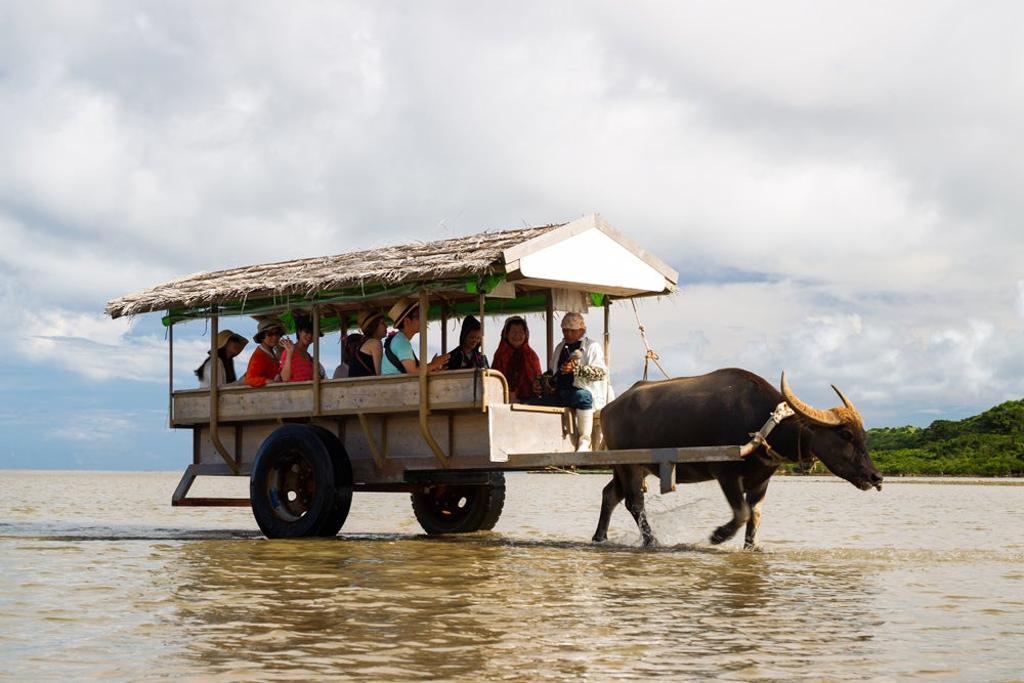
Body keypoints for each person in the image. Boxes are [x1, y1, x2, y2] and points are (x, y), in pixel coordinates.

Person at [532, 311, 612, 452]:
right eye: (565, 330)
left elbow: (600, 372)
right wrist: (540, 381)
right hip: (560, 393)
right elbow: (553, 371)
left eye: (572, 330)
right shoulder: (559, 348)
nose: (568, 333)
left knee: (583, 397)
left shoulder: (592, 347)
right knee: (531, 404)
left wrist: (576, 370)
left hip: (581, 392)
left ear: (581, 330)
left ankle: (584, 441)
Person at [381, 298, 449, 375]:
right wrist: (434, 364)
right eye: (418, 316)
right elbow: (413, 372)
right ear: (407, 321)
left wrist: (433, 366)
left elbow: (416, 370)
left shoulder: (400, 340)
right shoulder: (402, 342)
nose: (423, 319)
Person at [491, 315, 541, 401]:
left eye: (521, 332)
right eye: (513, 332)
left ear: (526, 335)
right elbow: (494, 381)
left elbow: (538, 378)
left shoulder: (531, 356)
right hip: (502, 400)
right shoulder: (500, 355)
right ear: (506, 334)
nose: (517, 335)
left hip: (529, 401)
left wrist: (537, 386)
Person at [280, 315, 326, 382]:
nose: (310, 335)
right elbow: (285, 378)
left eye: (313, 333)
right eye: (307, 331)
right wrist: (289, 353)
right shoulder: (289, 351)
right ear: (299, 332)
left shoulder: (309, 357)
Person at [245, 318, 285, 387]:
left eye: (277, 333)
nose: (275, 337)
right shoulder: (259, 356)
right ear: (262, 337)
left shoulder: (270, 353)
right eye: (270, 334)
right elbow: (249, 379)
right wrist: (268, 381)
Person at [347, 310, 387, 377]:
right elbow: (379, 375)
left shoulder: (363, 343)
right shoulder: (375, 343)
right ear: (374, 325)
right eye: (382, 323)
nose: (386, 326)